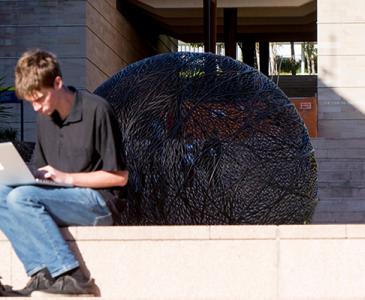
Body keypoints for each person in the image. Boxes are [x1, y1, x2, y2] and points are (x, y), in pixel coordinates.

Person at [0, 49, 128, 296]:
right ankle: (41, 274)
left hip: (99, 202)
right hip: (57, 197)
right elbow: (41, 169)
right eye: (31, 102)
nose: (36, 107)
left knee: (21, 197)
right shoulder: (44, 118)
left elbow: (120, 177)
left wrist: (67, 178)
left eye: (40, 99)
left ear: (57, 83)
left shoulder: (97, 110)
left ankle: (72, 276)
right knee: (2, 192)